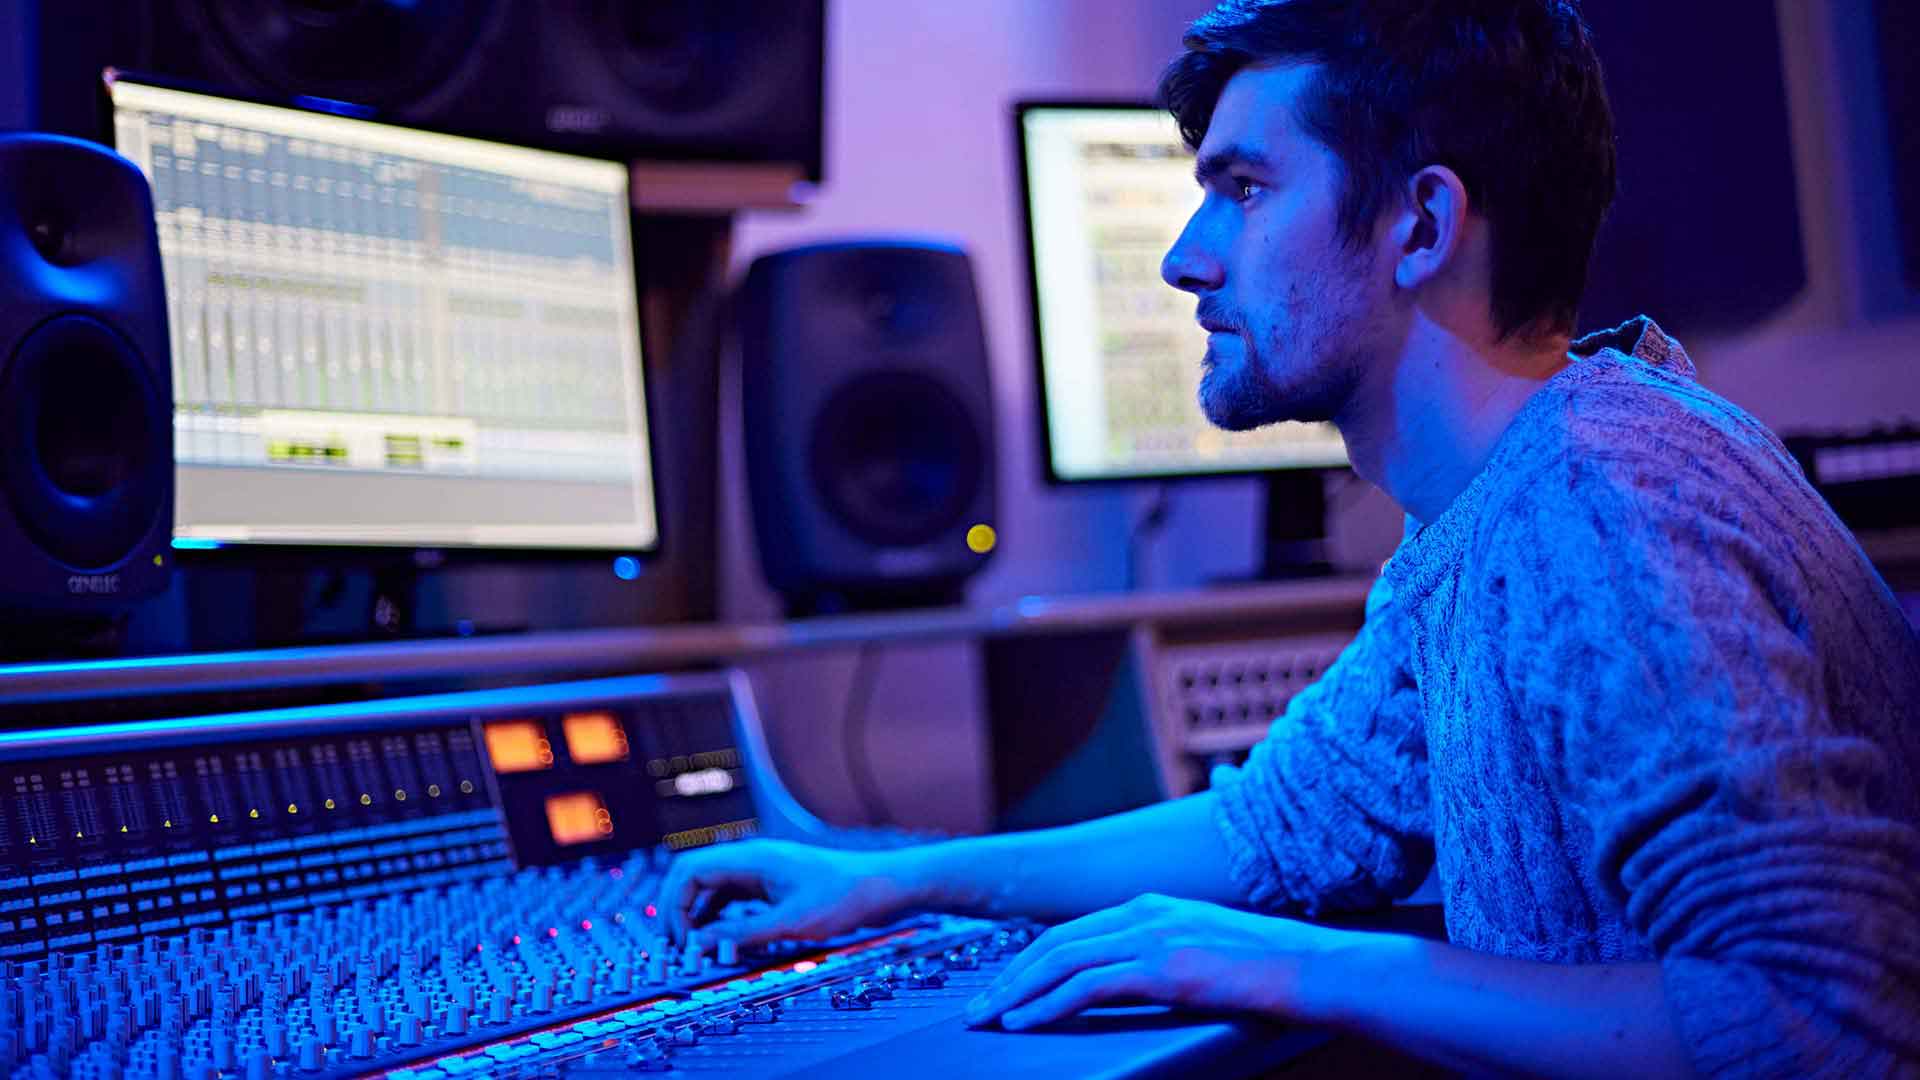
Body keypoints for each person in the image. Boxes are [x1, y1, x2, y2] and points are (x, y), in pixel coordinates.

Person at [659, 1, 1920, 1075]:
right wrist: (896, 881)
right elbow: (1267, 831)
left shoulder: (1596, 513)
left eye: (1244, 191)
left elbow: (1827, 1016)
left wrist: (1309, 967)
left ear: (1420, 227)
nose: (1183, 259)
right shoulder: (1487, 520)